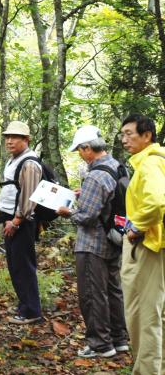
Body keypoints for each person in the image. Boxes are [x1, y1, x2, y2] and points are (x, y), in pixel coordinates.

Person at [55, 126, 128, 358]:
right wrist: (83, 193)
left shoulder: (96, 175)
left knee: (92, 293)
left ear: (88, 148)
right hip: (113, 239)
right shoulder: (118, 167)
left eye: (79, 149)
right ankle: (120, 338)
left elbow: (86, 216)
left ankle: (100, 344)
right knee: (113, 291)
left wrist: (68, 213)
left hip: (92, 243)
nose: (79, 153)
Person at [118, 114, 165, 375]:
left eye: (129, 133)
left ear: (147, 136)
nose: (124, 139)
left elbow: (157, 202)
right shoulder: (160, 160)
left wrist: (137, 226)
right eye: (122, 134)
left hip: (147, 247)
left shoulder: (148, 164)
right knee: (156, 314)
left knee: (141, 315)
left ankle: (147, 371)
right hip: (157, 246)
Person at [0, 120, 43, 324]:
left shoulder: (30, 163)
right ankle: (25, 306)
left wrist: (16, 221)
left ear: (26, 140)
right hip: (11, 218)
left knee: (23, 266)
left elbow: (30, 196)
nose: (9, 141)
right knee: (15, 265)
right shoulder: (14, 160)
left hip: (22, 221)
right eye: (7, 137)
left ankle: (32, 311)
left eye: (15, 137)